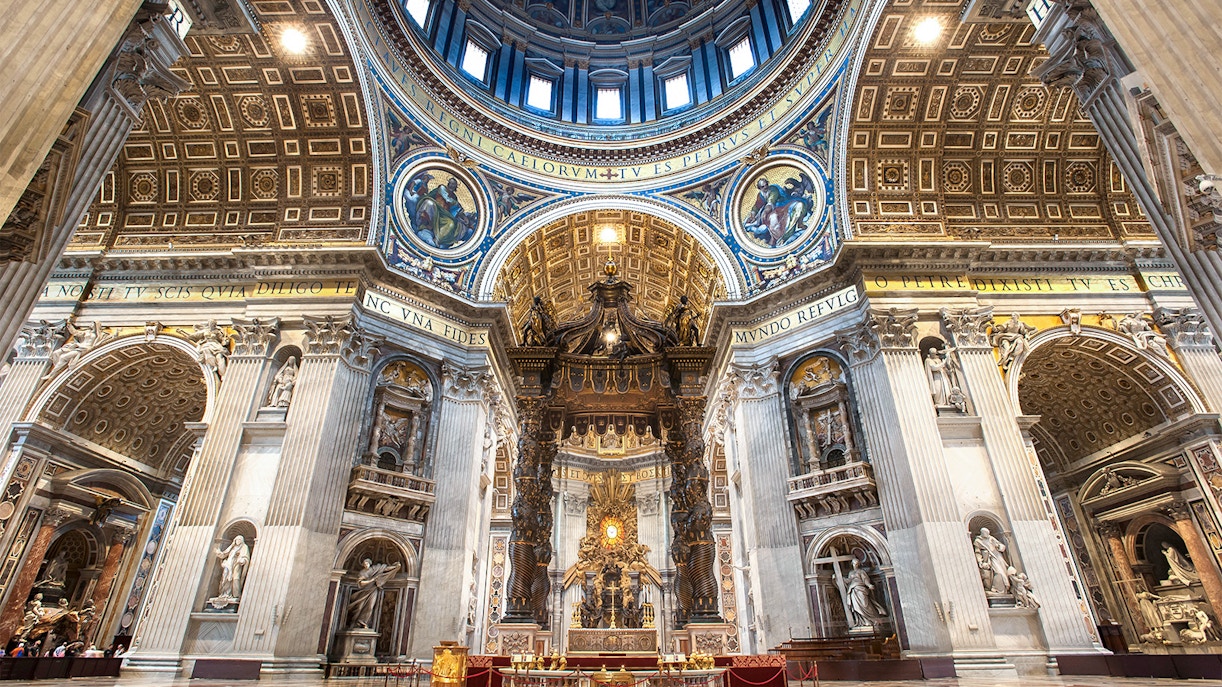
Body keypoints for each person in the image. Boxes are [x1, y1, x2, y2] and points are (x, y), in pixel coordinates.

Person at [346, 558, 402, 629]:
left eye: (367, 563)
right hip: (363, 592)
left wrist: (395, 567)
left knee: (370, 607)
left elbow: (385, 569)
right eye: (364, 563)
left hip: (373, 590)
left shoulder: (375, 569)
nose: (366, 565)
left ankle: (364, 622)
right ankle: (356, 623)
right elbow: (361, 583)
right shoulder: (362, 573)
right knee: (359, 608)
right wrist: (371, 580)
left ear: (370, 563)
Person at [844, 558, 888, 628]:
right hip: (853, 590)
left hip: (861, 590)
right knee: (856, 607)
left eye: (857, 563)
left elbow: (865, 580)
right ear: (852, 564)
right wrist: (838, 578)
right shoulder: (851, 573)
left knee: (865, 604)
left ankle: (873, 620)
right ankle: (863, 622)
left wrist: (869, 585)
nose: (856, 565)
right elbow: (848, 580)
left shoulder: (861, 571)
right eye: (854, 563)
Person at [973, 527, 1011, 594]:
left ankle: (1003, 590)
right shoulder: (978, 541)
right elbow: (977, 552)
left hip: (998, 557)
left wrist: (998, 546)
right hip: (989, 559)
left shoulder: (991, 538)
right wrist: (980, 561)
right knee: (999, 573)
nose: (987, 534)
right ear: (982, 533)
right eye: (986, 533)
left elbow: (1001, 546)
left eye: (988, 533)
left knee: (1003, 572)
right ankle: (996, 589)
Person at [215, 535, 251, 599]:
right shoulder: (232, 547)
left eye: (239, 540)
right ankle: (223, 593)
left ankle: (235, 594)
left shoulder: (244, 547)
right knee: (225, 578)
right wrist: (219, 553)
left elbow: (246, 557)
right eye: (236, 540)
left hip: (236, 565)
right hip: (228, 564)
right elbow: (224, 554)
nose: (238, 541)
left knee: (235, 578)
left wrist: (243, 560)